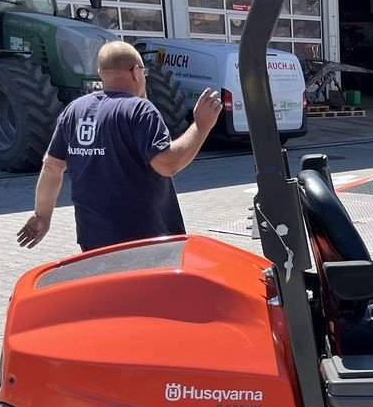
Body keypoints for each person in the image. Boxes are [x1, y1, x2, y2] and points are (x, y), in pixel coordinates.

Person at [16, 40, 222, 251]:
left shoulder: (74, 111)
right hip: (145, 241)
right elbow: (168, 164)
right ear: (135, 72)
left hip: (93, 240)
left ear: (101, 73)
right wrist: (201, 126)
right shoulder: (140, 110)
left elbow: (51, 167)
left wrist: (42, 216)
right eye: (143, 71)